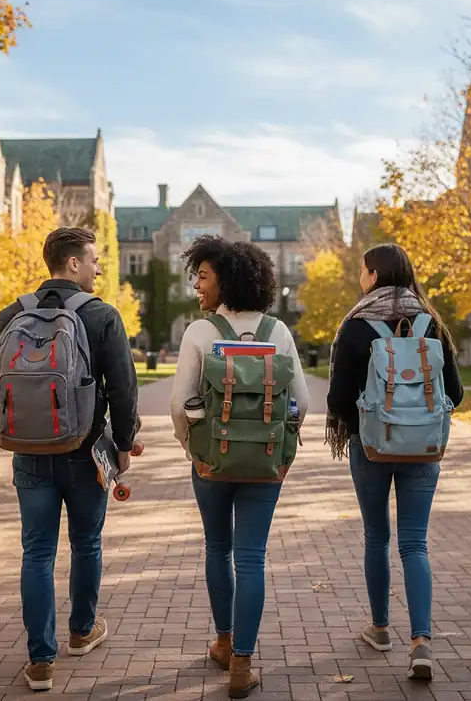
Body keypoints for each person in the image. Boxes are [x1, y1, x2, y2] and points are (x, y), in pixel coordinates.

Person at [0, 227, 139, 692]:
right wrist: (123, 446)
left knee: (37, 553)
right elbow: (124, 390)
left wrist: (29, 419)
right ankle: (82, 631)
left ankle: (41, 660)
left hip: (28, 454)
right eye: (94, 260)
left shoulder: (12, 314)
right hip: (86, 452)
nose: (99, 268)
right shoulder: (102, 315)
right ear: (72, 264)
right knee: (86, 542)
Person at [169, 236, 310, 699]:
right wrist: (282, 450)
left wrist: (192, 447)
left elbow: (180, 403)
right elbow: (302, 403)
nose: (196, 283)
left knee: (217, 549)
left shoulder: (200, 332)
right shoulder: (278, 332)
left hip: (212, 460)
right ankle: (242, 666)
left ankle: (225, 643)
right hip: (264, 463)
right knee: (252, 558)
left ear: (225, 280)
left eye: (203, 276)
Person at [326, 243, 464, 682]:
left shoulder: (356, 327)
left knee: (376, 536)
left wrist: (371, 420)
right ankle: (421, 641)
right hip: (423, 448)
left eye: (362, 271)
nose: (359, 278)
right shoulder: (430, 323)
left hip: (372, 448)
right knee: (415, 544)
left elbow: (338, 400)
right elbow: (455, 394)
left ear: (374, 275)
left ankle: (381, 629)